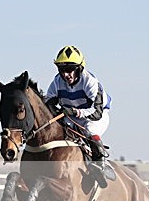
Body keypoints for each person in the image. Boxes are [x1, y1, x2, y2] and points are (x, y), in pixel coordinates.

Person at [45, 45, 115, 185]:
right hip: (72, 117)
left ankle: (100, 164)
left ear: (79, 69)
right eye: (62, 70)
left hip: (96, 116)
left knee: (90, 130)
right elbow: (48, 106)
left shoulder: (90, 82)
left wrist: (76, 112)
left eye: (70, 70)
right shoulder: (57, 82)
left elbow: (97, 112)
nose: (66, 74)